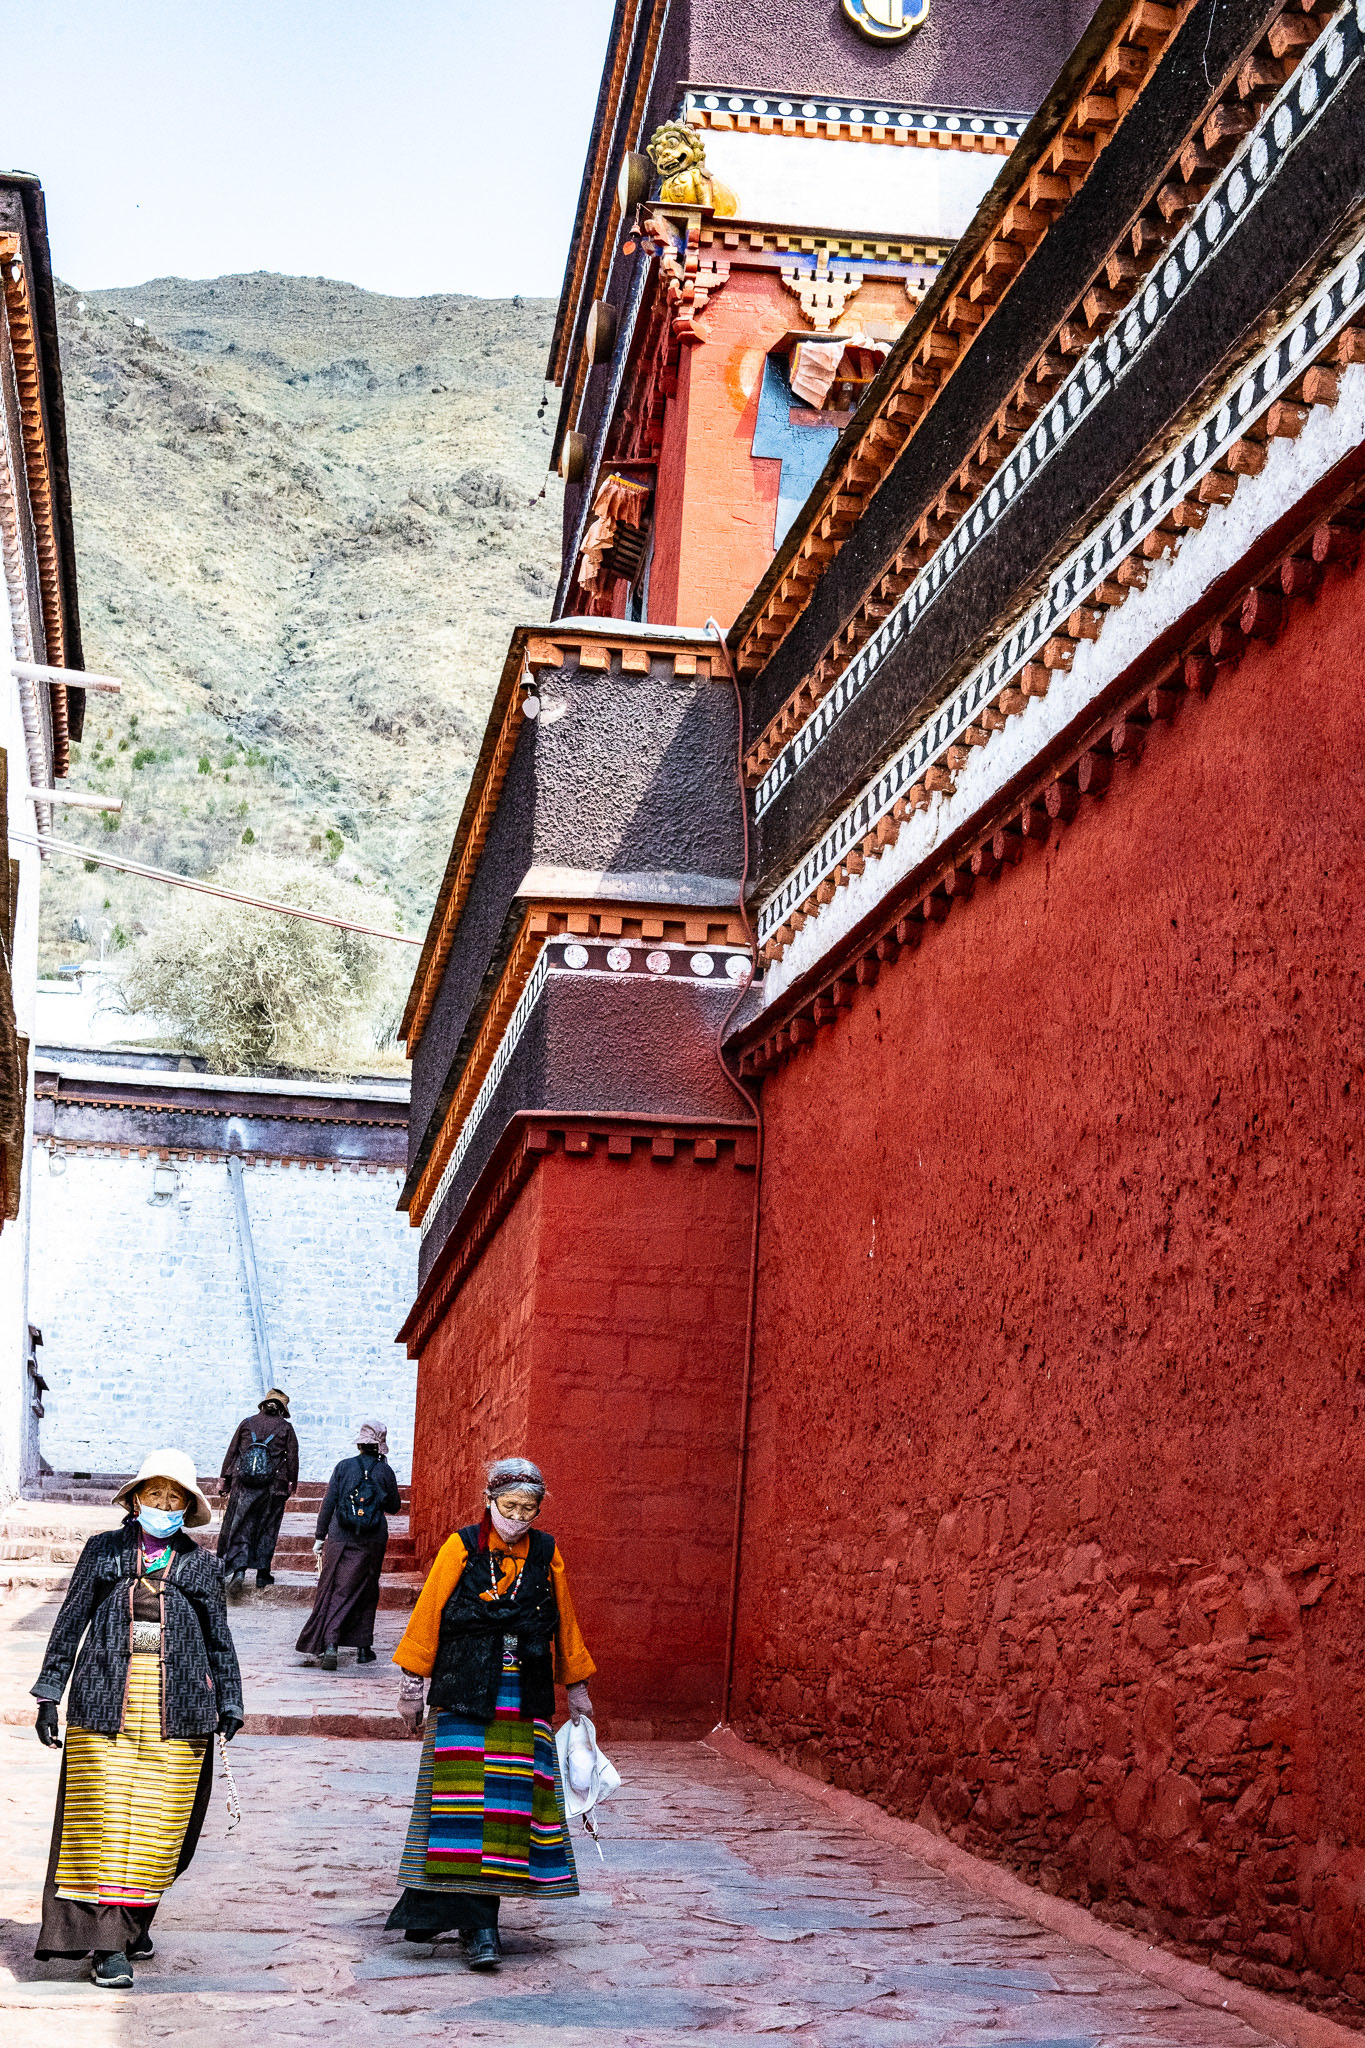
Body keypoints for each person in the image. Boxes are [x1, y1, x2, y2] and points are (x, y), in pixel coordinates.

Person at [30, 1447, 243, 1989]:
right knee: (101, 1816)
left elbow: (219, 1640)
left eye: (175, 1498)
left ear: (186, 1506)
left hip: (180, 1709)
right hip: (104, 1701)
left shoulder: (199, 1564)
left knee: (157, 1823)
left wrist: (231, 1702)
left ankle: (132, 1922)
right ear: (136, 1499)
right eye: (156, 1495)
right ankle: (106, 1944)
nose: (164, 1505)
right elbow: (71, 1617)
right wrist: (50, 1692)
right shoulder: (103, 1551)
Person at [383, 1456, 595, 1970]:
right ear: (489, 1501)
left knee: (504, 1808)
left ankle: (463, 1915)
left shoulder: (546, 1552)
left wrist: (578, 1687)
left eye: (529, 1509)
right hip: (463, 1692)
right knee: (459, 1806)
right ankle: (479, 1928)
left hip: (523, 1698)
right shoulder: (462, 1546)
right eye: (510, 1506)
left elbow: (564, 1619)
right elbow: (429, 1612)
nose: (519, 1517)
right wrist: (412, 1686)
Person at [295, 1420, 400, 1671]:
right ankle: (363, 1648)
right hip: (372, 1539)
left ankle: (330, 1643)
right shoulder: (385, 1472)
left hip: (340, 1537)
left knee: (335, 1587)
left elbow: (329, 1502)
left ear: (361, 1443)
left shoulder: (344, 1467)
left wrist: (320, 1537)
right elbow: (394, 1507)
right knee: (366, 1588)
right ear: (380, 1446)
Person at [217, 1387, 299, 1593]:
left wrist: (224, 1479)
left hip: (243, 1484)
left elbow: (232, 1450)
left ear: (263, 1405)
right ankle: (262, 1574)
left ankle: (239, 1570)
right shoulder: (286, 1428)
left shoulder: (247, 1423)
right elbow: (293, 1458)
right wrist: (291, 1483)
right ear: (282, 1410)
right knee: (267, 1527)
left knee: (241, 1525)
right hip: (273, 1487)